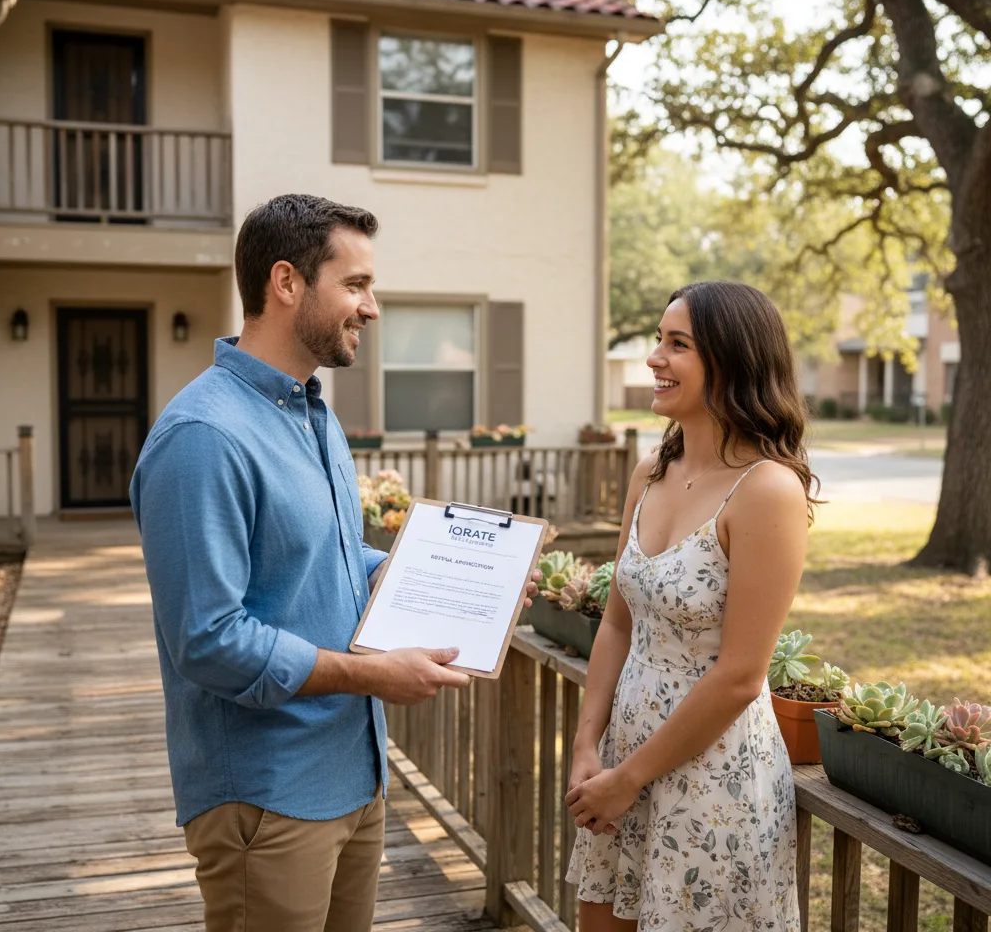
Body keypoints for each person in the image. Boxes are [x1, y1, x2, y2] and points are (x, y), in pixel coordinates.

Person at [130, 194, 539, 932]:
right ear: (286, 283)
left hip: (355, 771)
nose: (372, 308)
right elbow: (209, 638)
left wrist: (457, 575)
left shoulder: (311, 412)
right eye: (355, 286)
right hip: (267, 795)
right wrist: (369, 675)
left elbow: (332, 552)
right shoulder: (203, 436)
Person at [563, 280, 818, 931]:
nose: (654, 357)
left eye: (677, 344)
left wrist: (631, 777)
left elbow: (739, 675)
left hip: (711, 778)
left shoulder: (767, 491)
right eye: (658, 339)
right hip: (622, 755)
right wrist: (589, 746)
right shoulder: (650, 471)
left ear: (731, 362)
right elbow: (618, 622)